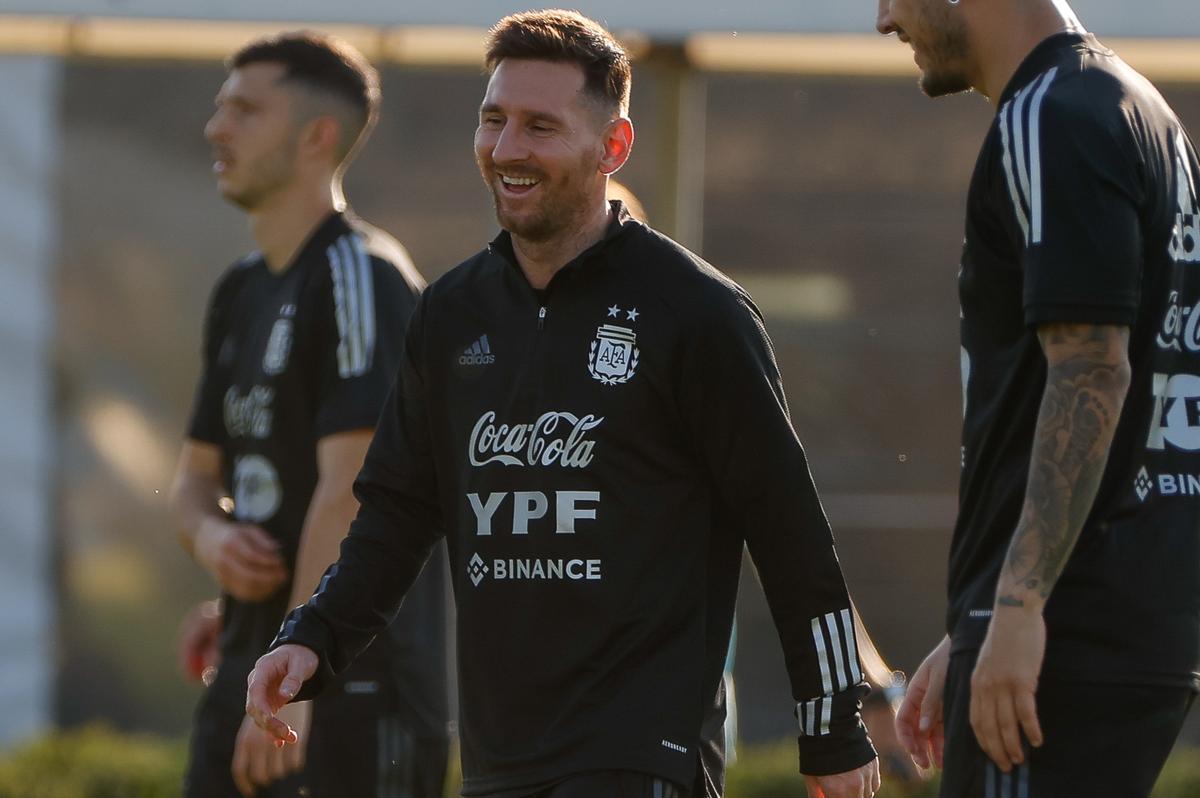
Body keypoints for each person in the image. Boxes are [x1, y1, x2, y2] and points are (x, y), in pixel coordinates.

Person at [247, 9, 881, 798]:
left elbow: (790, 535)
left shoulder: (697, 313)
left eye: (541, 126)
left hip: (638, 754)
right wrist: (314, 637)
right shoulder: (449, 315)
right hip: (496, 762)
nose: (508, 149)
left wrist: (834, 727)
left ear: (611, 148)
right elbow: (397, 513)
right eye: (494, 120)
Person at [875, 1, 1200, 795]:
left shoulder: (1048, 115)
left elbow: (1093, 369)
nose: (884, 19)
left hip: (1066, 628)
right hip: (1120, 618)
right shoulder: (1130, 103)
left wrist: (1017, 610)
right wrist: (981, 616)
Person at [169, 31, 449, 798]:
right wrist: (216, 540)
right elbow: (192, 481)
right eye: (221, 107)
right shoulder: (239, 289)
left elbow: (349, 488)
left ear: (316, 137)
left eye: (245, 110)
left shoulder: (363, 277)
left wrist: (307, 671)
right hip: (251, 675)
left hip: (349, 689)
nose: (216, 128)